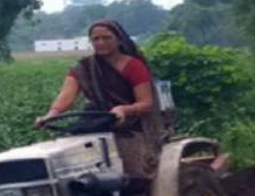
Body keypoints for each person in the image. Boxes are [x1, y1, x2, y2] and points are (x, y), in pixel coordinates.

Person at [35, 20, 163, 180]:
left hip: (128, 128)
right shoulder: (83, 68)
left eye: (107, 38)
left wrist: (123, 109)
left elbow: (146, 103)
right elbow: (66, 96)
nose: (101, 42)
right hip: (95, 124)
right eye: (96, 39)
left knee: (133, 175)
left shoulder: (133, 66)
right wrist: (51, 114)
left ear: (119, 39)